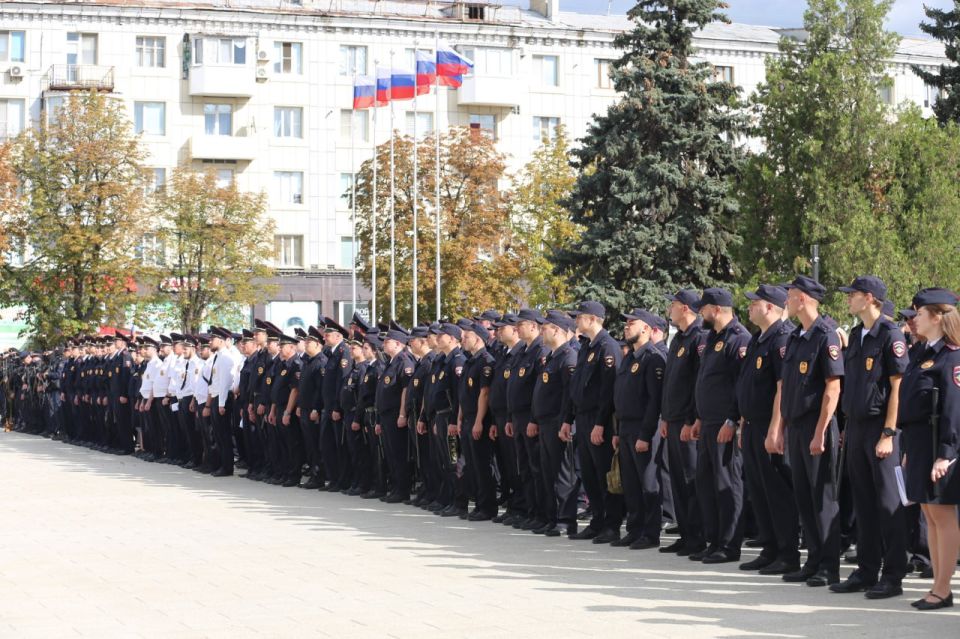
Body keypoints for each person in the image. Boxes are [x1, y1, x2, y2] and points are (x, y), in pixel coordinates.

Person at [831, 276, 909, 599]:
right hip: (858, 427)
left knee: (888, 504)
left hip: (881, 429)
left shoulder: (889, 334)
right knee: (862, 504)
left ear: (869, 298)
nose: (848, 299)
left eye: (853, 295)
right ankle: (866, 570)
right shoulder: (856, 334)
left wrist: (889, 433)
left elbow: (897, 386)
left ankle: (893, 576)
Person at [773, 275, 844, 587]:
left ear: (802, 299)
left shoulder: (825, 335)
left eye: (790, 294)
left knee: (822, 499)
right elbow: (788, 386)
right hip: (797, 427)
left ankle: (829, 565)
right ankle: (813, 559)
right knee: (803, 497)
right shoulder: (797, 336)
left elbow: (832, 389)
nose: (786, 299)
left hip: (817, 427)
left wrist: (820, 432)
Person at [897, 288, 960, 610]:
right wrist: (909, 447)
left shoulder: (952, 356)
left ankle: (943, 588)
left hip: (939, 446)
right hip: (920, 444)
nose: (914, 320)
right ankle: (938, 586)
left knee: (942, 514)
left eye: (919, 314)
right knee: (929, 514)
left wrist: (946, 454)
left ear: (936, 316)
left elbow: (953, 409)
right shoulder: (922, 353)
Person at [736, 285, 799, 575]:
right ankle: (770, 547)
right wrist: (741, 423)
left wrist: (776, 427)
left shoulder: (781, 337)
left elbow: (781, 387)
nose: (749, 307)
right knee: (759, 491)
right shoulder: (760, 338)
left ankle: (787, 553)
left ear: (771, 307)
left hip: (768, 426)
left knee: (776, 492)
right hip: (751, 425)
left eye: (755, 303)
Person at [690, 288, 751, 564]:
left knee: (727, 484)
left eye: (703, 308)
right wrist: (699, 418)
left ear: (716, 309)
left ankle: (728, 545)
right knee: (706, 484)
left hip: (725, 424)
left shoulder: (738, 339)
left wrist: (732, 419)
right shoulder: (712, 337)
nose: (700, 313)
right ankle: (713, 540)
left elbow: (742, 385)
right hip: (708, 424)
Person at [564, 300, 623, 543]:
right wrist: (568, 419)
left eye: (579, 316)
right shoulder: (586, 346)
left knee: (603, 474)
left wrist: (600, 423)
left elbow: (609, 390)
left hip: (601, 421)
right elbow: (576, 387)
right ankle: (597, 521)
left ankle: (612, 524)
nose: (576, 320)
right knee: (589, 473)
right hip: (583, 418)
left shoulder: (607, 347)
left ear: (592, 319)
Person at [659, 290, 707, 555]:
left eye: (674, 304)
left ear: (687, 308)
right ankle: (686, 533)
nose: (671, 308)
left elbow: (697, 384)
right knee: (678, 480)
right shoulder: (679, 339)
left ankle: (698, 536)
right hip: (673, 419)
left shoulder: (699, 337)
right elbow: (671, 383)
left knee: (691, 479)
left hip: (688, 422)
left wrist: (691, 419)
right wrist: (666, 417)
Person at [612, 308, 665, 550]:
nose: (626, 327)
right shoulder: (629, 358)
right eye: (626, 324)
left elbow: (655, 401)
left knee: (648, 483)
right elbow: (620, 397)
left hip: (644, 429)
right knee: (630, 483)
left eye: (632, 323)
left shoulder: (652, 358)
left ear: (645, 328)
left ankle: (650, 533)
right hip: (625, 429)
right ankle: (634, 529)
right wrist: (616, 431)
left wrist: (645, 435)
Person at [456, 322, 497, 520]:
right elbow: (463, 394)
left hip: (478, 419)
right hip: (467, 419)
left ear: (478, 339)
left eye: (467, 336)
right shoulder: (470, 361)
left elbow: (484, 393)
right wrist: (460, 417)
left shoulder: (486, 361)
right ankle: (479, 504)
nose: (463, 340)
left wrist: (479, 421)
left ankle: (487, 506)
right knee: (472, 465)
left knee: (481, 465)